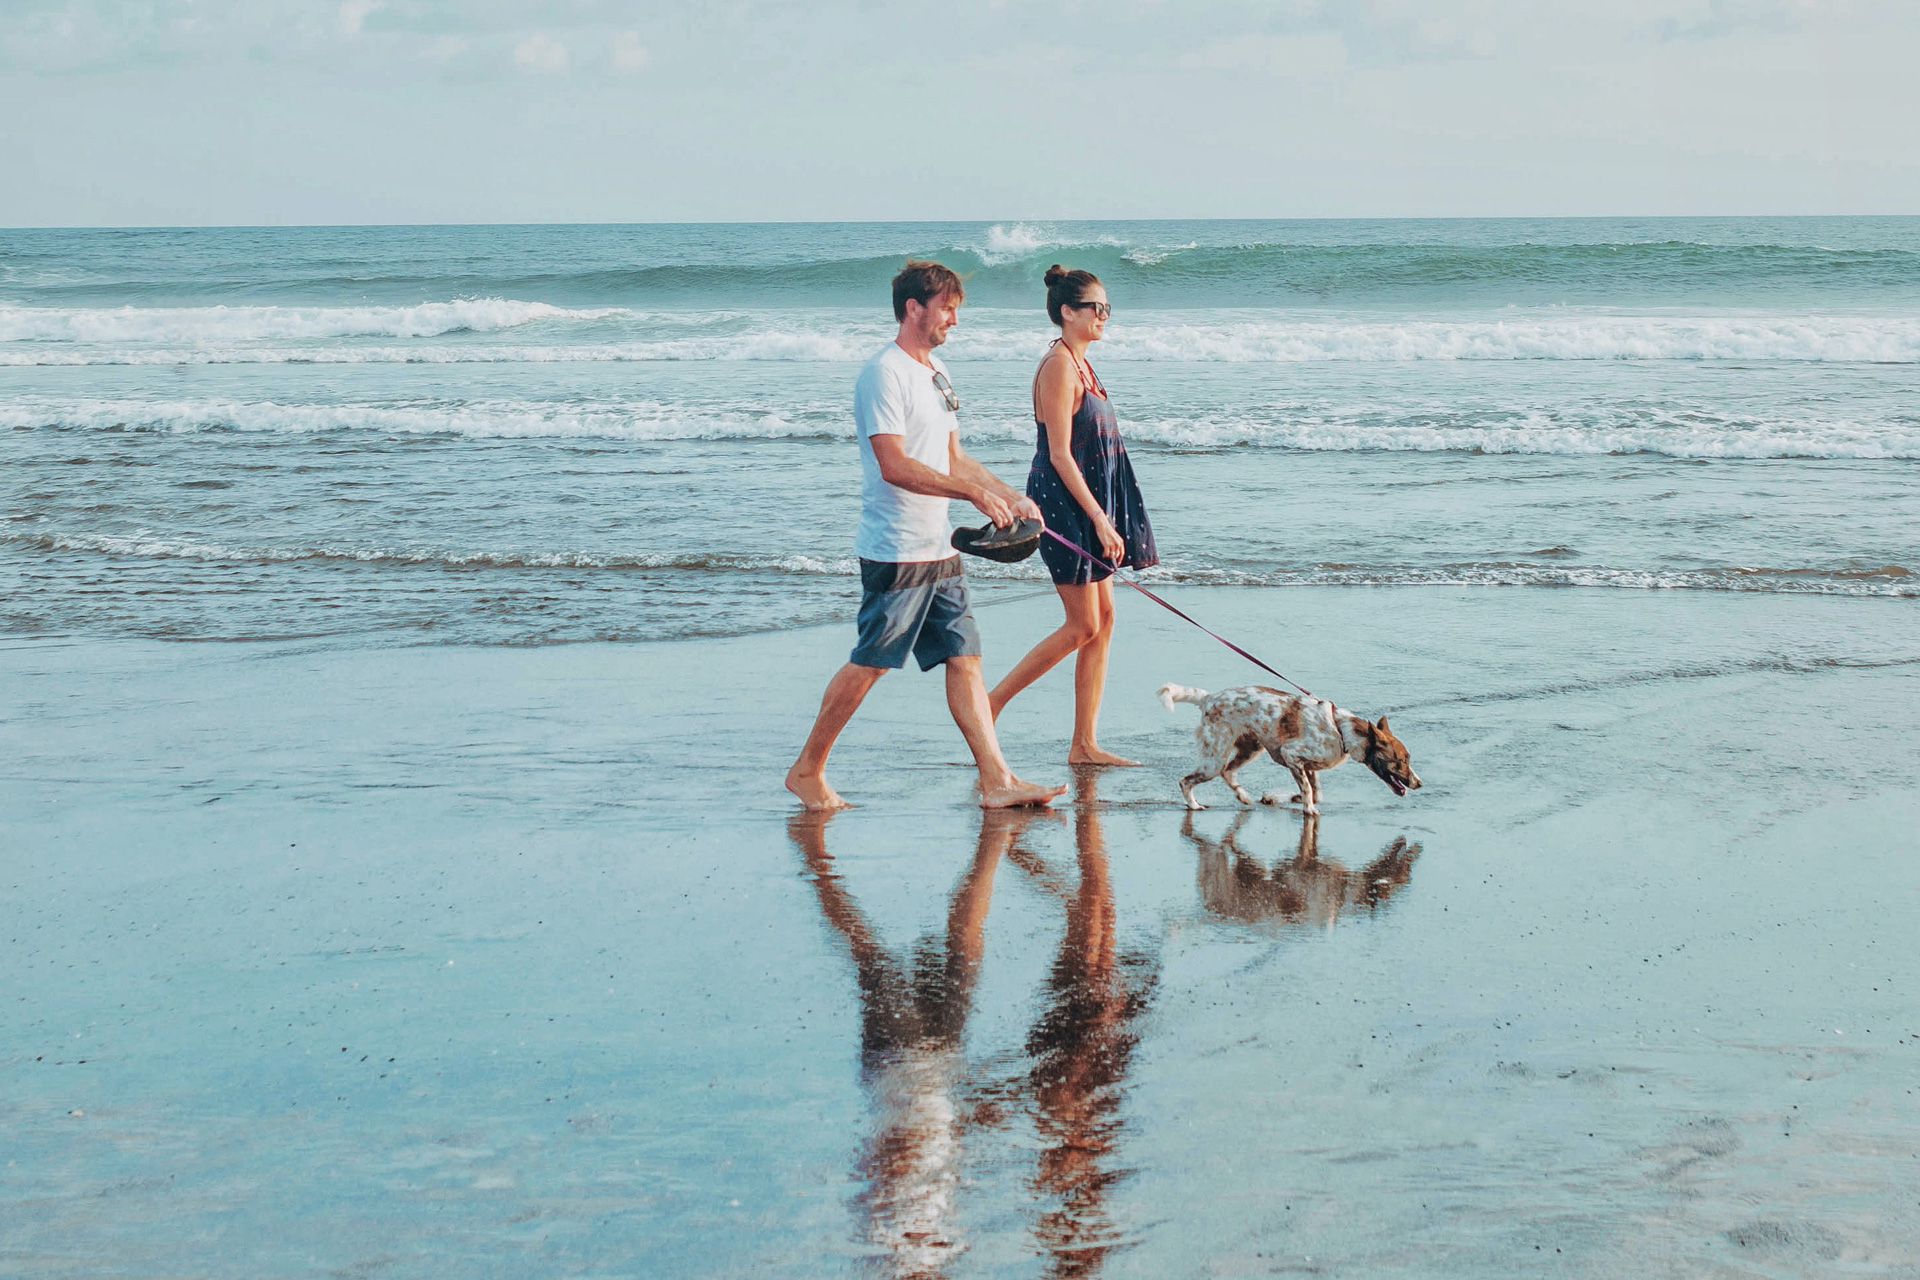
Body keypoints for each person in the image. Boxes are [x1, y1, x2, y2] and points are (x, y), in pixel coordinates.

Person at [786, 260, 1066, 811]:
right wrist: (970, 497)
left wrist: (1007, 493)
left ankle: (997, 780)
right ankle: (807, 770)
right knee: (871, 662)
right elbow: (893, 464)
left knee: (965, 658)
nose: (954, 321)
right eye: (947, 308)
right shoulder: (883, 374)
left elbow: (954, 458)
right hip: (897, 548)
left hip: (938, 547)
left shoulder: (935, 374)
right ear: (914, 308)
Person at [988, 266, 1157, 765]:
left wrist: (1108, 513)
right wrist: (1100, 521)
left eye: (1108, 309)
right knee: (1082, 624)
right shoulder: (1059, 365)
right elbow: (1060, 454)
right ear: (1067, 311)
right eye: (1095, 308)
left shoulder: (1083, 364)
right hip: (1063, 501)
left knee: (1104, 619)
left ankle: (1084, 744)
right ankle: (988, 705)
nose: (1104, 316)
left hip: (1088, 499)